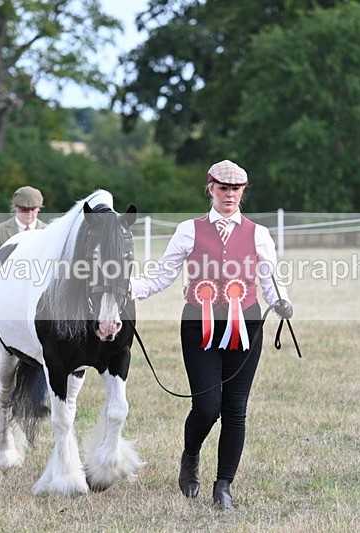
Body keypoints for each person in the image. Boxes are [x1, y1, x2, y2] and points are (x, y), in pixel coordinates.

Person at [132, 160, 293, 510]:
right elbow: (161, 276)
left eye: (236, 189)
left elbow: (270, 280)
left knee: (235, 408)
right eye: (223, 188)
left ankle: (223, 486)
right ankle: (190, 456)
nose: (230, 194)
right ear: (211, 189)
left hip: (246, 326)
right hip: (198, 325)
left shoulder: (258, 234)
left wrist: (281, 301)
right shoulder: (188, 230)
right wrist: (128, 288)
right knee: (207, 406)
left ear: (243, 191)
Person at [0, 186, 45, 275]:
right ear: (15, 208)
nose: (29, 213)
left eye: (33, 209)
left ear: (38, 208)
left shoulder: (47, 232)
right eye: (24, 209)